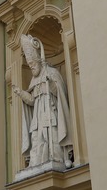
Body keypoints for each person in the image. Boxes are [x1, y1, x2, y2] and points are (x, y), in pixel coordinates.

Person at [12, 34, 73, 169]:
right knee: (36, 139)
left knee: (52, 135)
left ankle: (59, 158)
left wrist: (50, 83)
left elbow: (60, 93)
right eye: (29, 64)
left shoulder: (51, 73)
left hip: (50, 111)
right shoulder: (33, 80)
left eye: (32, 64)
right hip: (37, 117)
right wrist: (21, 93)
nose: (31, 67)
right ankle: (35, 163)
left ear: (38, 61)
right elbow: (33, 101)